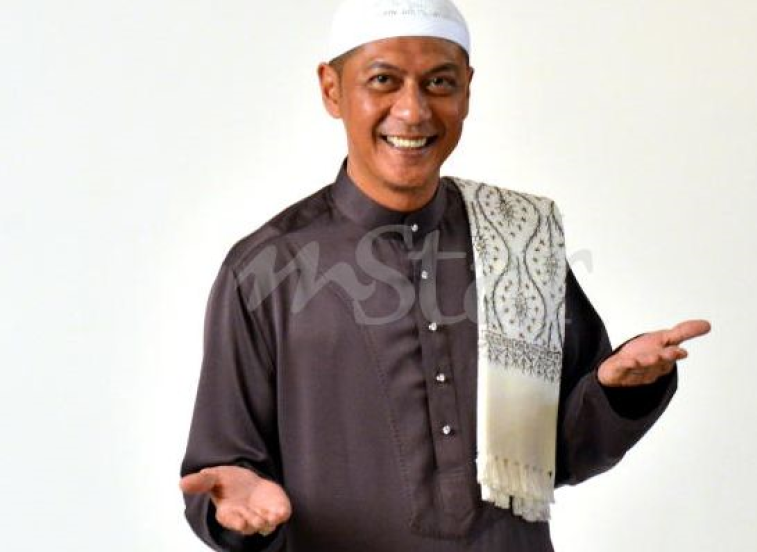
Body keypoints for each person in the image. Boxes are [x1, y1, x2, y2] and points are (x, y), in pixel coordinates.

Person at [179, 1, 711, 550]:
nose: (412, 111)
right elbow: (223, 477)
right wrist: (236, 507)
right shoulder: (266, 269)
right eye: (383, 80)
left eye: (438, 83)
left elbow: (556, 454)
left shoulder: (519, 239)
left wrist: (615, 390)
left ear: (467, 91)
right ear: (332, 90)